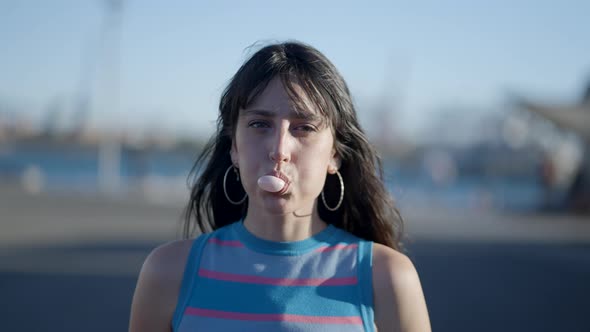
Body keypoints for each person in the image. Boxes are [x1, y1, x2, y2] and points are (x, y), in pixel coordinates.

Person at [129, 41, 431, 332]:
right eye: (260, 124)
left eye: (304, 128)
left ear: (335, 153)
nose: (279, 149)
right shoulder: (168, 272)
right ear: (234, 146)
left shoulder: (387, 278)